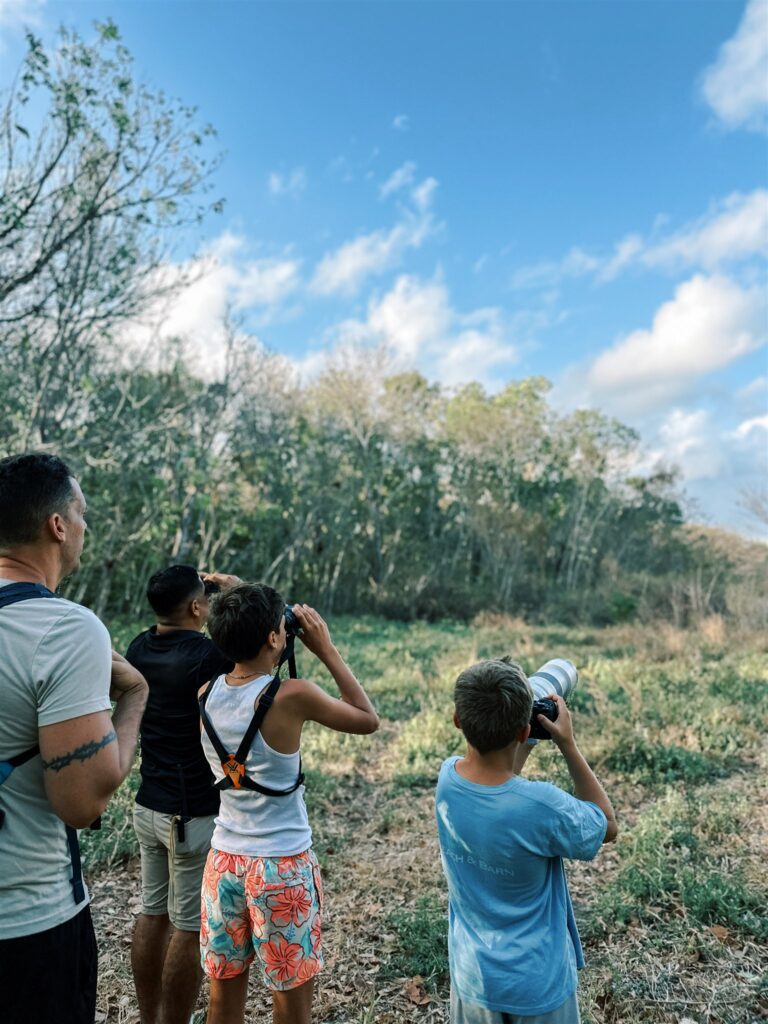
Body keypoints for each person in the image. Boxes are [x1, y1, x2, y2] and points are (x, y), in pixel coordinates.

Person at [0, 453, 148, 1024]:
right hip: (30, 926)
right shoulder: (65, 628)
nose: (86, 524)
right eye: (81, 512)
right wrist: (134, 697)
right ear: (57, 526)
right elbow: (82, 803)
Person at [198, 583, 379, 1024]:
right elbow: (367, 719)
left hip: (223, 863)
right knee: (291, 1006)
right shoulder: (292, 695)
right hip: (281, 867)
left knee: (223, 1004)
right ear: (275, 639)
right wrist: (326, 648)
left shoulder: (204, 693)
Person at [435, 657, 617, 1024]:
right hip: (537, 985)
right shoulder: (541, 805)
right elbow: (607, 826)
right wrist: (568, 744)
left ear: (458, 720)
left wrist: (523, 730)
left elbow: (499, 781)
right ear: (523, 731)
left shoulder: (448, 779)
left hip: (474, 978)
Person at [126, 565, 239, 1024]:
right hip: (190, 814)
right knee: (189, 926)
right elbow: (258, 644)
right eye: (206, 600)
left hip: (148, 803)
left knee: (152, 912)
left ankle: (149, 1017)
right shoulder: (208, 656)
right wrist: (238, 593)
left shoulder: (138, 647)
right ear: (197, 607)